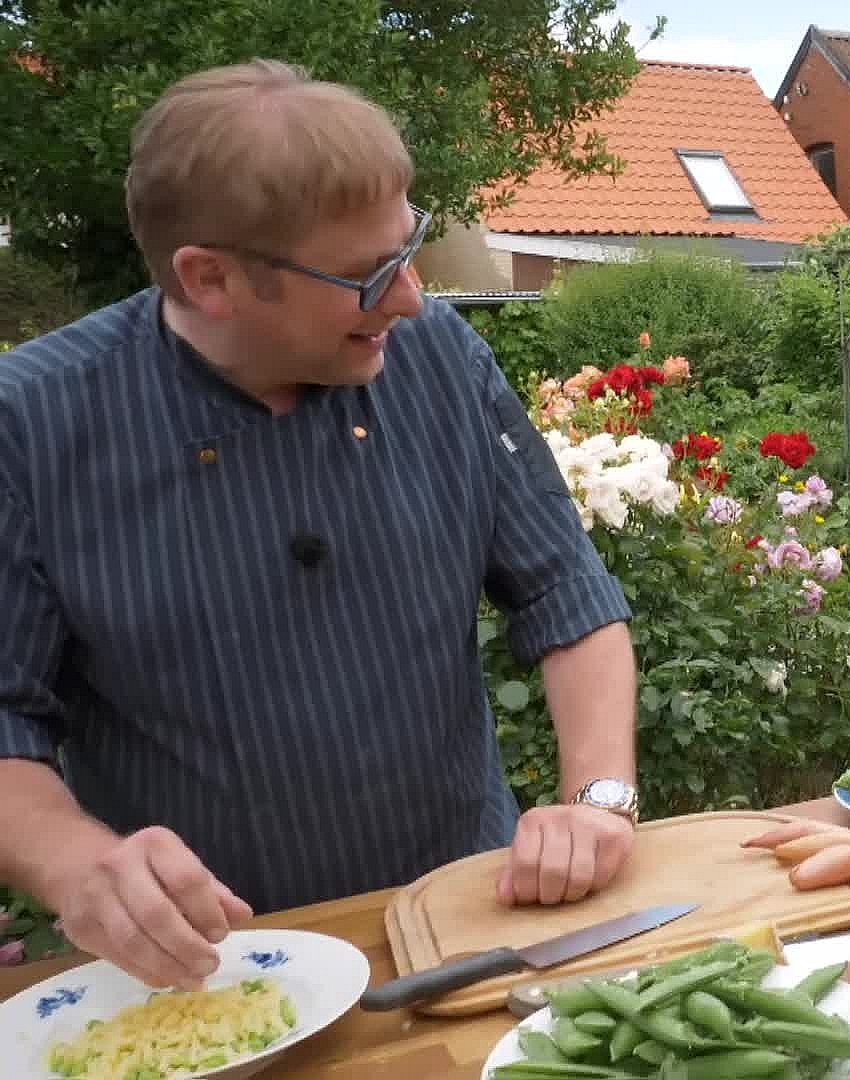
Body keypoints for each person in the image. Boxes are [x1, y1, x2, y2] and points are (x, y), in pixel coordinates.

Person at [0, 60, 646, 991]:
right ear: (210, 278)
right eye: (367, 275)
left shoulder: (440, 360)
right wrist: (74, 865)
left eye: (408, 245)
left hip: (472, 930)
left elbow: (564, 592)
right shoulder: (31, 427)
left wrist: (599, 801)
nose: (413, 297)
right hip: (210, 979)